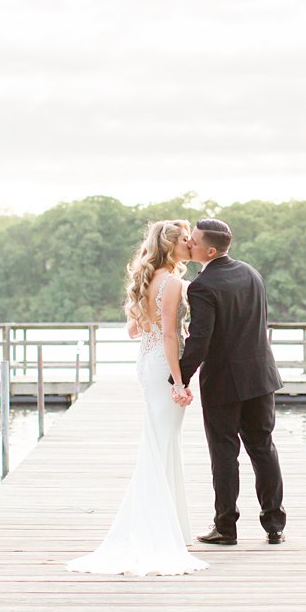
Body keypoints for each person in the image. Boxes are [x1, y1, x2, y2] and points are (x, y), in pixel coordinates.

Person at [66, 220, 208, 576]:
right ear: (173, 247)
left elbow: (134, 329)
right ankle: (154, 531)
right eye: (185, 241)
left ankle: (171, 526)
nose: (189, 245)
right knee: (161, 443)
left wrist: (158, 327)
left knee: (160, 442)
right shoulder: (173, 283)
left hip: (145, 362)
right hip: (162, 365)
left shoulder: (147, 279)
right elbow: (171, 336)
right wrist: (179, 381)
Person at [174, 218, 287, 546]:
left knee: (224, 454)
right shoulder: (251, 273)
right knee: (263, 448)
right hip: (261, 376)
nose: (188, 243)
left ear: (209, 249)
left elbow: (200, 340)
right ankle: (275, 525)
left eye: (193, 240)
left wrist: (179, 377)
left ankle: (226, 527)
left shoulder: (202, 286)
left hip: (224, 382)